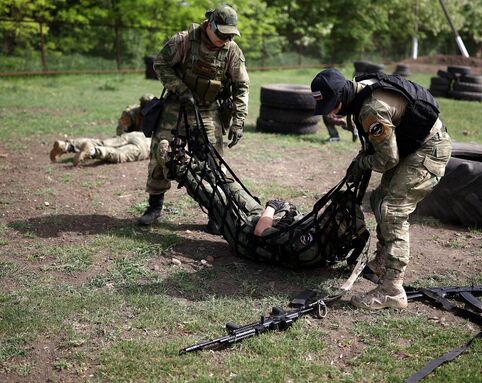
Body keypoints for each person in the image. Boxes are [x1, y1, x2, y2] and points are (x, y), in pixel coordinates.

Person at [310, 68, 452, 310]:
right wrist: (361, 160)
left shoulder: (370, 109)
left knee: (393, 210)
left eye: (333, 106)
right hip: (413, 147)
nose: (332, 113)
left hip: (428, 150)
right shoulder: (360, 90)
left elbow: (387, 160)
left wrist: (361, 163)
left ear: (342, 98)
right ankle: (384, 258)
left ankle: (392, 289)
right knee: (378, 199)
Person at [156, 139, 369, 268]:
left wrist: (273, 207)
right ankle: (191, 162)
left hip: (247, 237)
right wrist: (286, 214)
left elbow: (260, 231)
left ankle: (175, 167)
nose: (328, 212)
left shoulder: (309, 242)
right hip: (266, 227)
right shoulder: (329, 240)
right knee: (233, 188)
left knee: (217, 198)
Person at [139, 3, 250, 228]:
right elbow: (160, 65)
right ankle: (154, 207)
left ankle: (215, 212)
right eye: (221, 34)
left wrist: (238, 122)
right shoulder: (184, 40)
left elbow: (241, 86)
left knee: (212, 163)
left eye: (230, 35)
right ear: (210, 24)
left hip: (209, 109)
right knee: (161, 154)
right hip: (176, 107)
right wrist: (181, 90)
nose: (225, 39)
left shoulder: (231, 50)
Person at [50, 94, 154, 165]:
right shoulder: (132, 113)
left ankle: (66, 146)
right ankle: (92, 151)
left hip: (131, 136)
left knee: (102, 142)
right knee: (120, 154)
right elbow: (120, 129)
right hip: (146, 142)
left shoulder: (152, 114)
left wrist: (121, 139)